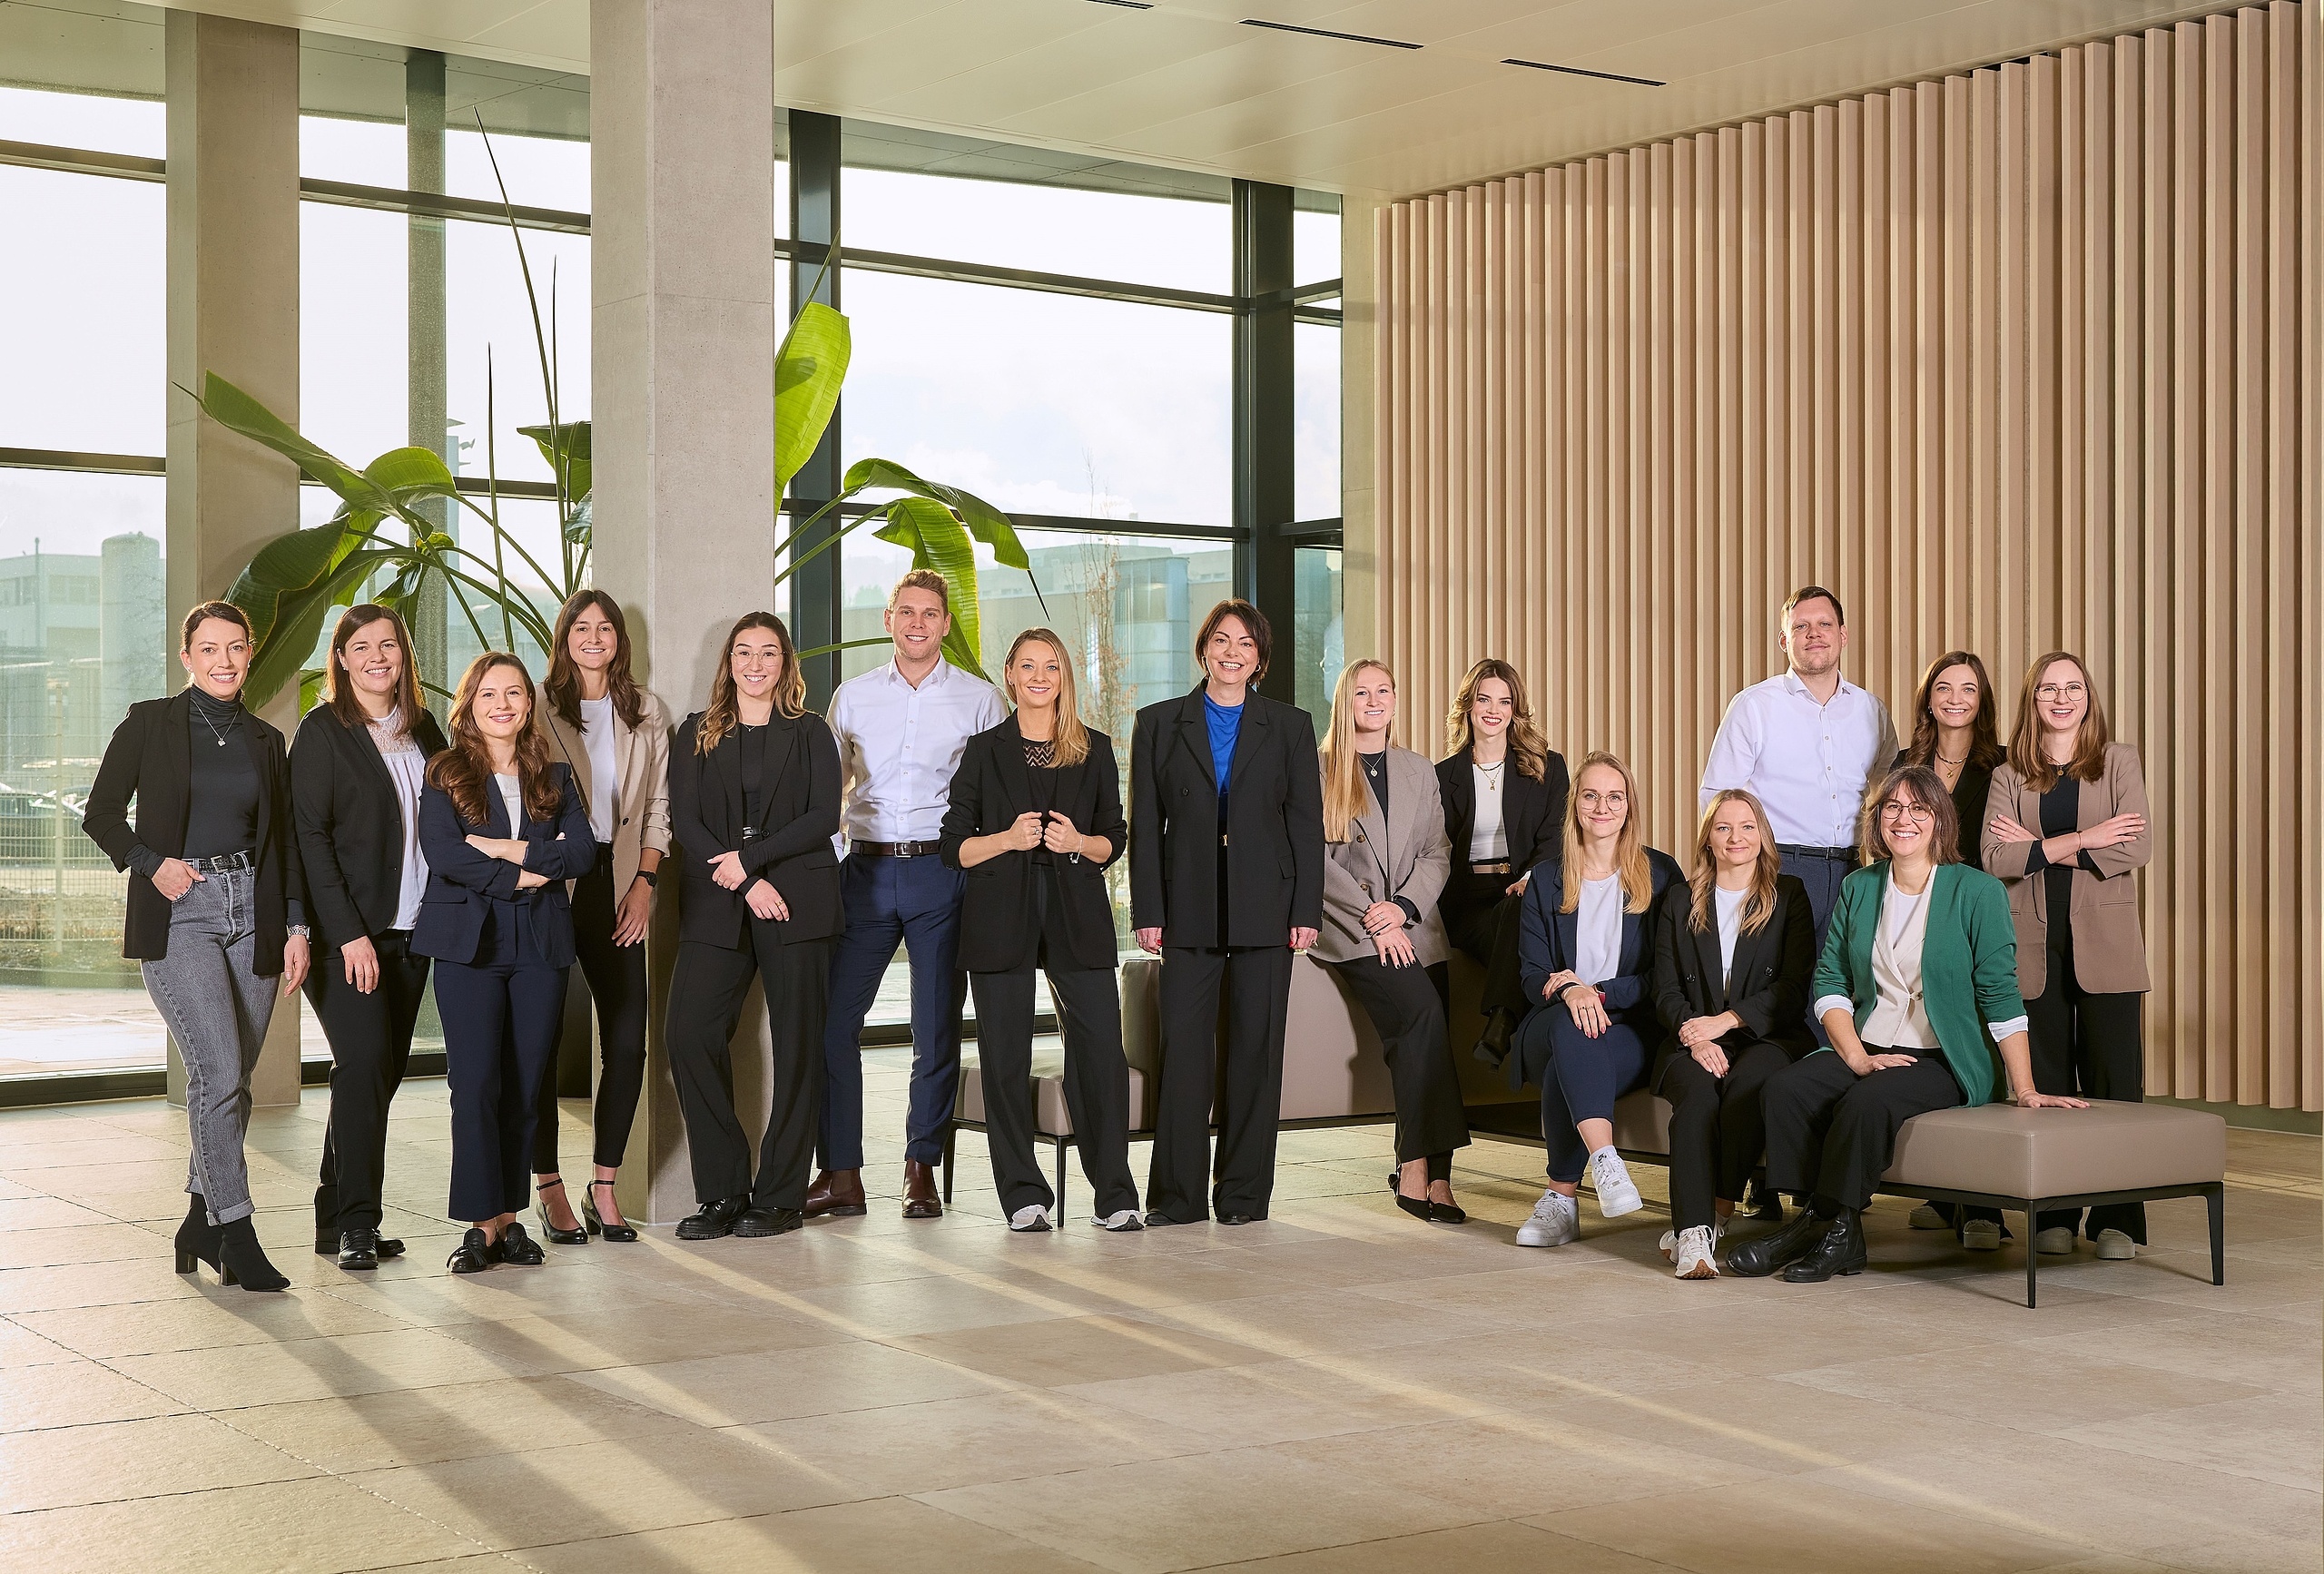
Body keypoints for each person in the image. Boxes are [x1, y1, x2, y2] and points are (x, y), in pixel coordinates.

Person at [1728, 765, 2084, 1284]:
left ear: (1939, 819)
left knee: (1865, 1102)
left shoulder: (1976, 891)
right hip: (1868, 1044)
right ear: (1877, 821)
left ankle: (1822, 1231)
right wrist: (1855, 1056)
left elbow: (2000, 994)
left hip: (1944, 1056)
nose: (1904, 818)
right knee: (1788, 1087)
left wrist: (2025, 1087)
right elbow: (1829, 981)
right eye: (1892, 807)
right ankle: (1827, 1224)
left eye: (1918, 807)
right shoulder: (1859, 886)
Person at [84, 602, 310, 1293]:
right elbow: (99, 815)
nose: (223, 660)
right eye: (207, 648)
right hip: (182, 911)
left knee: (232, 1080)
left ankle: (195, 1220)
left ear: (250, 654)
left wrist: (297, 925)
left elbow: (285, 844)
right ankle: (236, 1232)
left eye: (235, 648)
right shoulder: (150, 723)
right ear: (186, 656)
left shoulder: (267, 741)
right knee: (217, 1070)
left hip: (255, 913)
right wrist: (154, 863)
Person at [814, 571, 1005, 1221]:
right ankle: (841, 1172)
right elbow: (829, 791)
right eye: (906, 612)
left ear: (946, 624)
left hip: (940, 874)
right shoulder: (853, 696)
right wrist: (837, 855)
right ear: (889, 617)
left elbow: (995, 797)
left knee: (935, 1027)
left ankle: (920, 1164)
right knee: (834, 1022)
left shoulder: (981, 701)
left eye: (930, 614)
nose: (918, 623)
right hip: (863, 875)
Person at [1130, 598, 1324, 1226]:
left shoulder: (1290, 726)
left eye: (1245, 643)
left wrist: (1306, 909)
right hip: (1186, 905)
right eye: (1221, 640)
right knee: (1184, 1053)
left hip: (1267, 906)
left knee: (1256, 1054)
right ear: (1204, 648)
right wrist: (1148, 909)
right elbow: (1145, 828)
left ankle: (1243, 1197)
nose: (1232, 652)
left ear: (1260, 657)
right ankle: (1176, 1198)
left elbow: (1304, 824)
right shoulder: (1158, 724)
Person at [941, 629, 1141, 1233]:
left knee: (1102, 1052)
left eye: (1049, 666)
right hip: (1000, 916)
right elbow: (954, 848)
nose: (1038, 676)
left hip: (1077, 915)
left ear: (1064, 677)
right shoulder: (982, 751)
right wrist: (1007, 839)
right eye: (1026, 665)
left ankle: (1114, 1193)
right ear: (1010, 675)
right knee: (1005, 1057)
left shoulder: (1096, 749)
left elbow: (1115, 838)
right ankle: (1023, 1194)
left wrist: (1078, 841)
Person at [414, 654, 596, 1274]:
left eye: (513, 693)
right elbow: (442, 852)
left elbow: (585, 854)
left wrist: (503, 848)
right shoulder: (444, 772)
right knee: (474, 1085)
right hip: (471, 945)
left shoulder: (556, 775)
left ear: (528, 704)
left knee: (526, 1083)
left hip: (540, 944)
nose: (502, 703)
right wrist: (527, 870)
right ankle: (479, 1223)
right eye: (488, 693)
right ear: (469, 703)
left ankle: (511, 1220)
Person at [665, 614, 842, 1241]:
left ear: (785, 663)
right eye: (744, 652)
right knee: (688, 1033)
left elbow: (823, 815)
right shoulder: (694, 734)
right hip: (721, 900)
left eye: (769, 653)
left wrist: (754, 862)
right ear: (729, 662)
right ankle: (721, 1192)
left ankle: (780, 1196)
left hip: (800, 900)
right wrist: (744, 879)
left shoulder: (812, 732)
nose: (756, 664)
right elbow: (686, 824)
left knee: (797, 1048)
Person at [1984, 652, 2152, 1261]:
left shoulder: (2118, 762)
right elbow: (1996, 859)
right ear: (2033, 699)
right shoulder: (2009, 773)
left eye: (2073, 687)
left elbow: (2135, 846)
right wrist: (2084, 839)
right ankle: (2054, 1214)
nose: (2062, 698)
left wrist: (2041, 847)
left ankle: (2119, 1218)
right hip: (2032, 945)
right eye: (2049, 689)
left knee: (2114, 1084)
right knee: (2047, 1082)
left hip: (2105, 944)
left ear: (2088, 696)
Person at [294, 605, 447, 1272]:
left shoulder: (424, 729)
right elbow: (310, 838)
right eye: (363, 647)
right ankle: (359, 1223)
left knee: (375, 1077)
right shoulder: (322, 732)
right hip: (346, 937)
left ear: (403, 656)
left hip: (413, 931)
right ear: (343, 659)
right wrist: (349, 933)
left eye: (389, 644)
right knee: (361, 1067)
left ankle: (334, 1218)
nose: (378, 656)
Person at [531, 590, 671, 1246]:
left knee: (627, 1040)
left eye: (605, 628)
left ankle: (604, 1187)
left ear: (620, 639)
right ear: (565, 638)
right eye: (581, 628)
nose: (594, 637)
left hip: (618, 883)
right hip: (551, 884)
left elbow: (658, 809)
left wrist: (644, 883)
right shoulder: (535, 708)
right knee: (538, 1046)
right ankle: (548, 1187)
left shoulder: (646, 712)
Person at [1312, 660, 1470, 1225]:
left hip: (1418, 928)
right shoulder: (1321, 768)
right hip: (1353, 930)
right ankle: (1418, 1170)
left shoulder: (1418, 770)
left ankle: (1435, 1171)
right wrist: (1376, 918)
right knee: (1421, 1016)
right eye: (1361, 692)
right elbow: (1315, 859)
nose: (1373, 701)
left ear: (1396, 701)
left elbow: (1437, 852)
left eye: (1383, 691)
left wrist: (1402, 910)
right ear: (1344, 702)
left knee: (1430, 1037)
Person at [1508, 751, 1682, 1249]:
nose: (1602, 807)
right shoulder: (1547, 878)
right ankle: (1606, 1161)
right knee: (1569, 1025)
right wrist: (1570, 989)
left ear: (1629, 806)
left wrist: (1599, 992)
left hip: (1630, 1026)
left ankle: (1561, 1198)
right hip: (1550, 1023)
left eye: (1614, 796)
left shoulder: (1661, 875)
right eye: (1590, 795)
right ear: (1575, 804)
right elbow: (1531, 975)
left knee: (1577, 1039)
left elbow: (1666, 975)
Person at [1649, 789, 1816, 1278]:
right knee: (1698, 1098)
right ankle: (1695, 1241)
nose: (1736, 837)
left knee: (1749, 1084)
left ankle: (1717, 1208)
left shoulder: (1789, 895)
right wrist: (1697, 1036)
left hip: (1765, 1036)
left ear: (1762, 835)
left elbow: (1792, 987)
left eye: (1747, 826)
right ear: (1709, 839)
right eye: (1723, 827)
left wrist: (1726, 1023)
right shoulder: (1679, 899)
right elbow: (1663, 988)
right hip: (1689, 1035)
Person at [1700, 585, 1897, 962]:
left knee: (1842, 987)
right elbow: (1717, 797)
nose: (1814, 634)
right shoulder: (1754, 706)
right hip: (1778, 870)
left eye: (1824, 624)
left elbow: (1888, 792)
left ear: (1842, 635)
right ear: (1783, 640)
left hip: (1853, 873)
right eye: (1801, 626)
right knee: (1776, 991)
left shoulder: (1871, 710)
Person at [1890, 650, 2008, 1247]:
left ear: (1983, 698)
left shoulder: (2005, 766)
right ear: (1928, 698)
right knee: (1926, 1041)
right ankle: (1942, 1194)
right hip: (1912, 916)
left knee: (1980, 1048)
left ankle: (1985, 1205)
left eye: (1968, 688)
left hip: (1973, 914)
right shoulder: (1906, 763)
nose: (1956, 697)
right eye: (1944, 687)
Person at [1433, 658, 1569, 1069]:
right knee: (1527, 942)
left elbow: (1556, 836)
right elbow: (1434, 847)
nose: (1494, 710)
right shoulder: (1441, 776)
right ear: (1469, 706)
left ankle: (1500, 1021)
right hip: (1468, 900)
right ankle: (1508, 1022)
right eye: (1484, 699)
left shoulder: (1547, 766)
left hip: (1525, 889)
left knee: (1518, 909)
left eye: (1504, 701)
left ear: (1515, 710)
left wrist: (1530, 878)